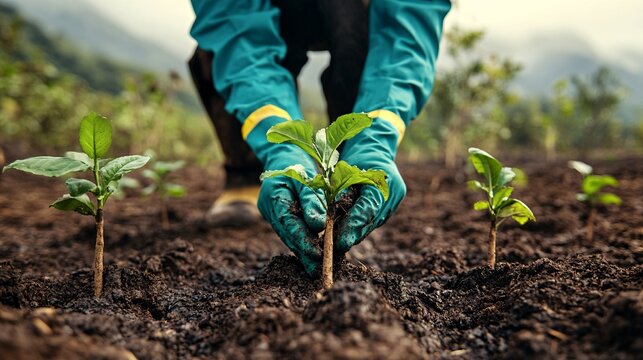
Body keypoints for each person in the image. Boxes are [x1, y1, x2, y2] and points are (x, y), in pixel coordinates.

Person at [188, 0, 450, 275]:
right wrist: (282, 146)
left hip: (357, 14)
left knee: (357, 24)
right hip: (260, 15)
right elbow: (235, 31)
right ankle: (245, 172)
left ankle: (347, 193)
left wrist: (376, 135)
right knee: (216, 48)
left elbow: (407, 30)